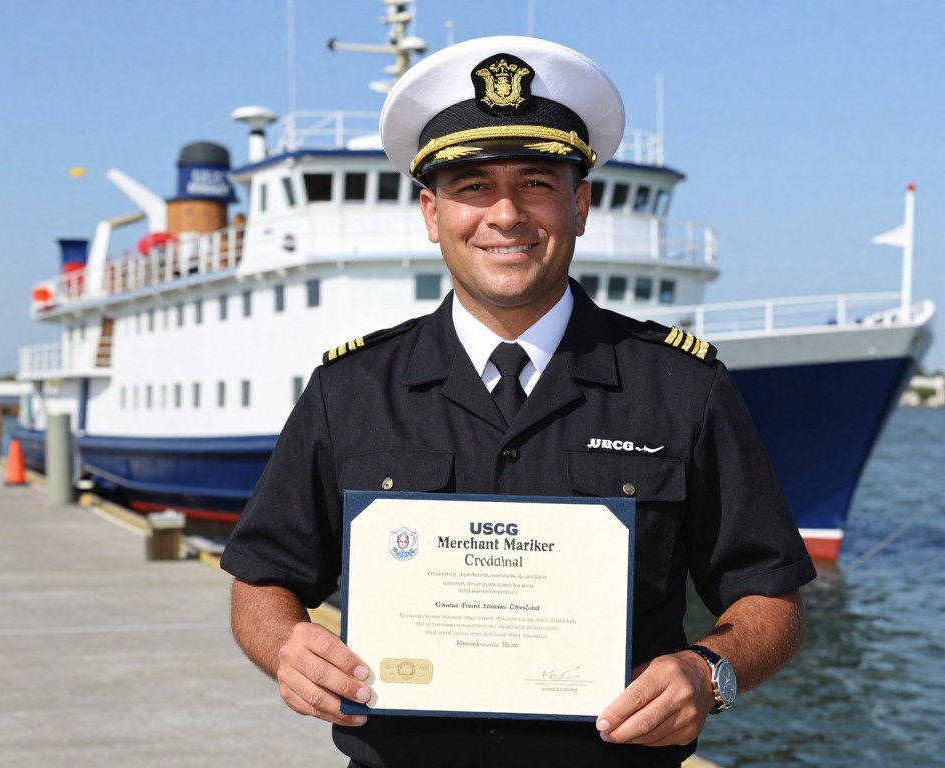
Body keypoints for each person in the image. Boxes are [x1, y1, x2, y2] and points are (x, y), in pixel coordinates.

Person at [221, 35, 816, 768]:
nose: (506, 214)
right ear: (432, 214)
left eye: (536, 182)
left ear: (582, 204)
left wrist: (710, 672)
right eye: (472, 186)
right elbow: (263, 577)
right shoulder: (349, 391)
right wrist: (286, 646)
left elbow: (771, 599)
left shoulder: (684, 389)